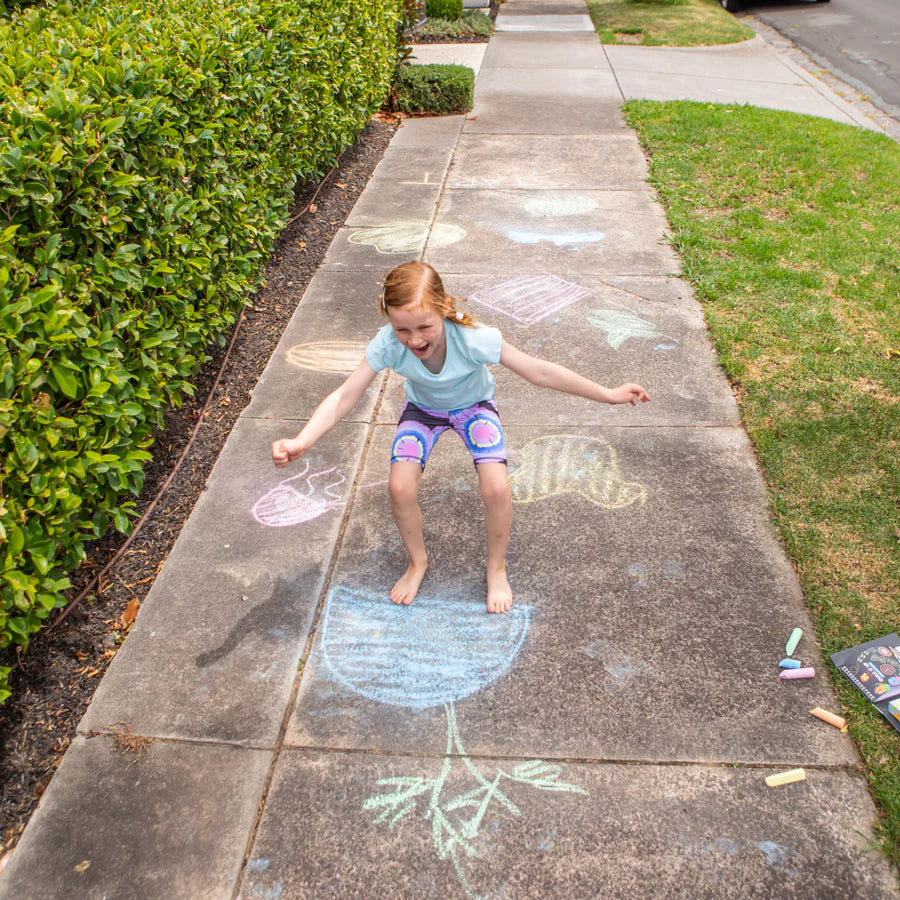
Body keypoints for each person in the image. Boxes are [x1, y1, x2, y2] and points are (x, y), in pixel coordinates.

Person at [271, 262, 650, 614]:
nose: (414, 339)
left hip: (474, 408)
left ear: (443, 308)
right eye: (402, 328)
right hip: (423, 412)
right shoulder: (387, 343)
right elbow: (345, 395)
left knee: (497, 488)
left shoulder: (473, 337)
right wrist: (302, 441)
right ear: (388, 320)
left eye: (424, 327)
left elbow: (540, 372)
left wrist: (608, 393)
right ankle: (417, 562)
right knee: (400, 488)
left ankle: (496, 567)